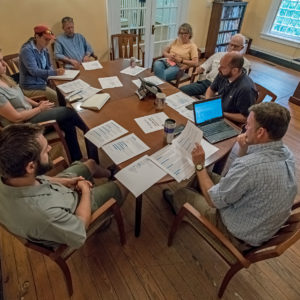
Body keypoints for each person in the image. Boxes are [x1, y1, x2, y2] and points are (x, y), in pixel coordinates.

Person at [163, 102, 297, 250]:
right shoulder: (286, 154)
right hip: (257, 223)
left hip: (235, 235)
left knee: (184, 192)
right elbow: (240, 176)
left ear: (260, 133)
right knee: (205, 176)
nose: (245, 128)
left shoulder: (250, 167)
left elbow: (214, 201)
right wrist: (244, 149)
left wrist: (199, 165)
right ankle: (193, 197)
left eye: (248, 125)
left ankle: (180, 204)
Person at [0, 123, 128, 249]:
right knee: (123, 183)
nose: (50, 148)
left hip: (57, 194)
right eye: (45, 150)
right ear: (31, 166)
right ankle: (106, 214)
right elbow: (80, 228)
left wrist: (65, 182)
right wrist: (85, 191)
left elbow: (38, 179)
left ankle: (110, 173)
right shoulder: (44, 215)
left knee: (91, 164)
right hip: (73, 214)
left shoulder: (13, 176)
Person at [0, 49, 99, 163]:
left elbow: (21, 96)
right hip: (23, 127)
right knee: (69, 113)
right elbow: (16, 117)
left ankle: (77, 158)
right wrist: (39, 109)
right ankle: (93, 135)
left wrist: (37, 104)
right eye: (0, 61)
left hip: (30, 115)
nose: (4, 63)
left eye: (3, 59)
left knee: (68, 121)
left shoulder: (3, 78)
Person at [180, 34, 250, 97]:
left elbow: (238, 81)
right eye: (230, 44)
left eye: (235, 46)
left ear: (242, 47)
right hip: (207, 83)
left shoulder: (244, 63)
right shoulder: (218, 55)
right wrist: (199, 69)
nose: (232, 48)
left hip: (225, 89)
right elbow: (204, 66)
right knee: (181, 91)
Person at [205, 52, 257, 124]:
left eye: (223, 67)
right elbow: (211, 89)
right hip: (217, 112)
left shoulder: (246, 89)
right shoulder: (223, 74)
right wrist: (207, 102)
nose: (219, 68)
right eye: (220, 65)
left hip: (229, 121)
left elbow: (245, 118)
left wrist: (222, 114)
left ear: (234, 70)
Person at [19, 25, 65, 105]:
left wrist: (53, 72)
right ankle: (59, 114)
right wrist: (54, 72)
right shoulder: (27, 50)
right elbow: (34, 71)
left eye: (49, 40)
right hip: (31, 86)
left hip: (42, 83)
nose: (48, 42)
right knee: (57, 96)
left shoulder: (44, 49)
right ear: (37, 36)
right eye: (46, 39)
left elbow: (48, 66)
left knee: (63, 91)